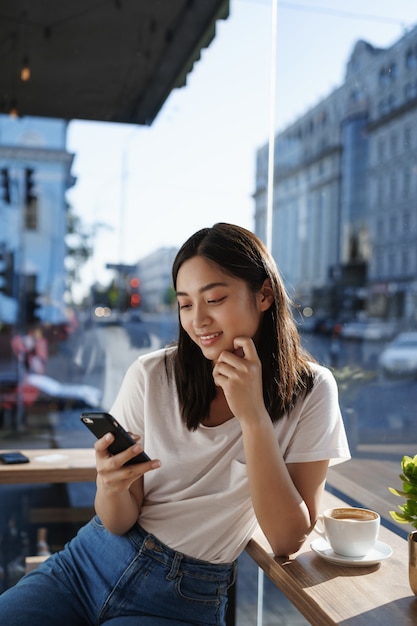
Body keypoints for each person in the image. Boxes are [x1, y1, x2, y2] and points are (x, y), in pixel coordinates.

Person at [0, 223, 350, 625]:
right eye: (185, 304)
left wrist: (254, 418)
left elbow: (288, 540)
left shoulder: (312, 390)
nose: (198, 319)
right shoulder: (152, 375)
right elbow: (117, 520)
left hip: (182, 599)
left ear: (264, 294)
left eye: (214, 298)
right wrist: (111, 485)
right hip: (85, 565)